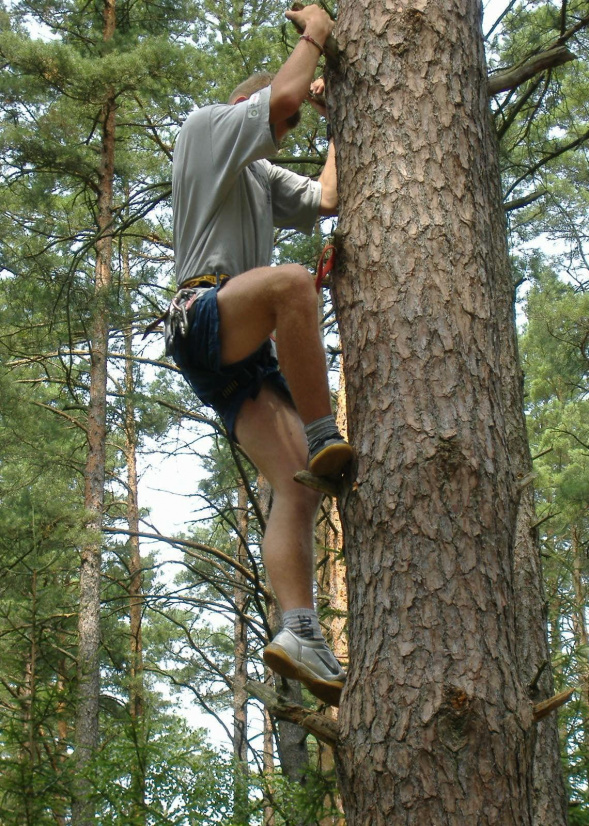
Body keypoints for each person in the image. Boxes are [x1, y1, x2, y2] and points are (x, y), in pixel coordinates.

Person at [169, 4, 351, 706]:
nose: (284, 130)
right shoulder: (207, 130)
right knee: (289, 287)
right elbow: (278, 97)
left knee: (295, 487)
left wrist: (339, 120)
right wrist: (315, 37)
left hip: (235, 355)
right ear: (243, 107)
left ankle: (298, 629)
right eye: (278, 123)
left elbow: (328, 198)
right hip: (204, 312)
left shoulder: (261, 177)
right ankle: (324, 432)